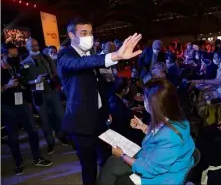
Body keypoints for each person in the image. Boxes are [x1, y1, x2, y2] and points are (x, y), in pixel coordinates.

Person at [57, 17, 142, 185]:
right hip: (81, 122)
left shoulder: (93, 55)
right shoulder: (65, 55)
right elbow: (80, 64)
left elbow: (99, 86)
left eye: (90, 33)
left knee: (106, 157)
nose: (89, 36)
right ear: (71, 35)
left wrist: (106, 109)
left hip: (100, 118)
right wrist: (115, 55)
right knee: (88, 165)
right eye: (84, 33)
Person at [96, 79, 195, 185]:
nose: (144, 100)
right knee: (112, 161)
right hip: (157, 162)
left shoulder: (170, 136)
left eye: (146, 98)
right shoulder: (177, 118)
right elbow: (161, 135)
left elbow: (147, 169)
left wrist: (122, 155)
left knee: (121, 179)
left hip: (163, 178)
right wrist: (143, 127)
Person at [1, 44, 52, 175]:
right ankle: (18, 163)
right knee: (13, 138)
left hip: (22, 104)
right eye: (12, 55)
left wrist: (31, 86)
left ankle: (37, 158)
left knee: (34, 132)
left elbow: (23, 83)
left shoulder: (16, 66)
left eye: (16, 55)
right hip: (7, 107)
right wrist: (7, 86)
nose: (15, 57)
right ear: (3, 55)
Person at [21, 38, 67, 154]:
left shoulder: (46, 58)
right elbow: (23, 82)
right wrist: (35, 81)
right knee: (44, 120)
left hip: (52, 91)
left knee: (60, 115)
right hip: (38, 95)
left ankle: (61, 135)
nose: (35, 48)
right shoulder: (24, 63)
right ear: (27, 48)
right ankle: (50, 142)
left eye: (37, 45)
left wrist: (53, 78)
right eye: (33, 46)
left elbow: (55, 73)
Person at [109, 78, 144, 145]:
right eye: (127, 87)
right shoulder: (117, 104)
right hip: (124, 134)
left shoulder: (113, 97)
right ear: (124, 90)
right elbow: (124, 123)